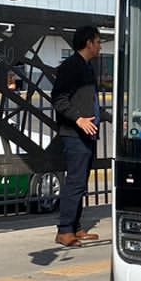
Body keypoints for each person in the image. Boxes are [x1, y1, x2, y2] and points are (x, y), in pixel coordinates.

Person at [50, 25, 103, 248]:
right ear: (89, 43)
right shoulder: (71, 67)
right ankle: (64, 230)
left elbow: (90, 101)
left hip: (87, 133)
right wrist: (79, 119)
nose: (100, 46)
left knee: (81, 182)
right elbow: (59, 99)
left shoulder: (87, 67)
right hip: (75, 133)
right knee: (75, 182)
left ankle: (76, 227)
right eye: (98, 41)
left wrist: (108, 116)